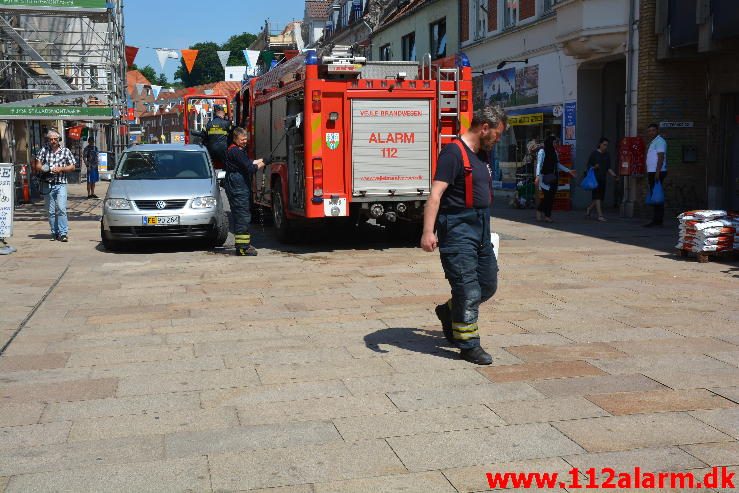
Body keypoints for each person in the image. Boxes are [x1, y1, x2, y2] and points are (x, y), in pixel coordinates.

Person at [421, 106, 507, 365]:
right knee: (468, 290)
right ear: (484, 128)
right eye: (497, 133)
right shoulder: (453, 154)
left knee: (488, 284)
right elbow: (435, 195)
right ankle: (469, 345)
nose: (498, 139)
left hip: (481, 227)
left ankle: (449, 312)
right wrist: (428, 231)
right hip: (457, 229)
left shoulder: (482, 154)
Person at [223, 127, 265, 256]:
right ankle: (242, 248)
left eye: (246, 139)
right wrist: (264, 163)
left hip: (236, 184)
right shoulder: (236, 152)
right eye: (242, 139)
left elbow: (248, 162)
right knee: (242, 217)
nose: (245, 141)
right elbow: (250, 168)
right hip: (238, 187)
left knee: (241, 216)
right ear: (236, 139)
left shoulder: (235, 151)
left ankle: (243, 245)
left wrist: (263, 160)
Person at [33, 130, 76, 242]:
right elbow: (37, 164)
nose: (53, 141)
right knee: (51, 211)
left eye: (55, 139)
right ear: (48, 140)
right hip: (47, 184)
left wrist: (61, 169)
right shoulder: (44, 150)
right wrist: (43, 168)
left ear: (59, 139)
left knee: (61, 208)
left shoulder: (65, 151)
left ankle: (63, 233)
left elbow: (72, 166)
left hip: (61, 183)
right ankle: (54, 232)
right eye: (51, 139)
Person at [535, 135, 577, 223]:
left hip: (553, 177)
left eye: (556, 142)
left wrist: (569, 171)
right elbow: (539, 164)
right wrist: (537, 176)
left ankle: (547, 216)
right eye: (554, 142)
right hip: (544, 177)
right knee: (547, 196)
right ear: (550, 142)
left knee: (551, 197)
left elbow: (557, 164)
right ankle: (540, 211)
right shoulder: (542, 151)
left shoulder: (555, 152)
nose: (555, 144)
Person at [585, 137, 618, 222]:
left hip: (603, 178)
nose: (605, 146)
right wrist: (594, 167)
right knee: (598, 197)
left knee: (599, 197)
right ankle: (600, 215)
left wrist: (614, 175)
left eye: (607, 145)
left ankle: (589, 208)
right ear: (600, 144)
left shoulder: (607, 155)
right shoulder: (594, 154)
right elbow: (588, 166)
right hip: (595, 179)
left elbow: (608, 168)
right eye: (604, 145)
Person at [645, 123, 667, 227]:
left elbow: (661, 157)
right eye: (649, 131)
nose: (651, 132)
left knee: (657, 195)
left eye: (653, 130)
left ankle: (658, 221)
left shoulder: (660, 141)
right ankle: (656, 220)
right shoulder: (653, 142)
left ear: (657, 131)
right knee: (655, 195)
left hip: (657, 172)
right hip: (652, 172)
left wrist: (657, 172)